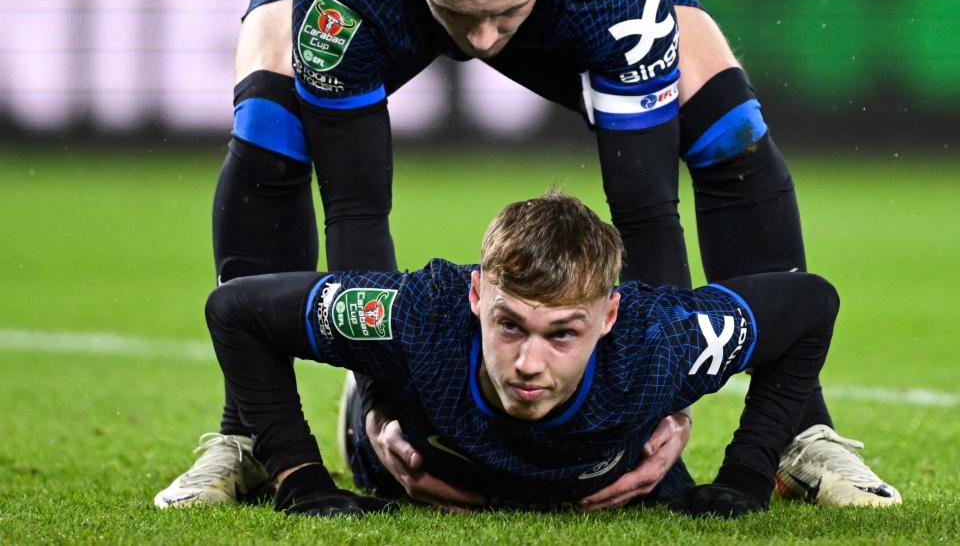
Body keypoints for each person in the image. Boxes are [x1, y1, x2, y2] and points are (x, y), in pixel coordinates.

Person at [155, 0, 900, 510]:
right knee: (269, 131)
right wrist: (382, 402)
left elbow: (645, 210)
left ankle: (802, 434)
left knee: (728, 134)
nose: (481, 40)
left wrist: (663, 410)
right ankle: (245, 434)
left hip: (574, 0)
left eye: (502, 14)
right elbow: (355, 210)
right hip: (381, 1)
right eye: (461, 13)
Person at [192, 191, 847, 518]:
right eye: (509, 325)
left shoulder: (662, 341)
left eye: (563, 333)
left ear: (609, 316)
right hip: (399, 431)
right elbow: (237, 312)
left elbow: (812, 304)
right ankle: (365, 394)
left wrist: (745, 478)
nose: (529, 364)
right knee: (377, 376)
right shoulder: (423, 314)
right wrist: (301, 480)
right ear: (476, 295)